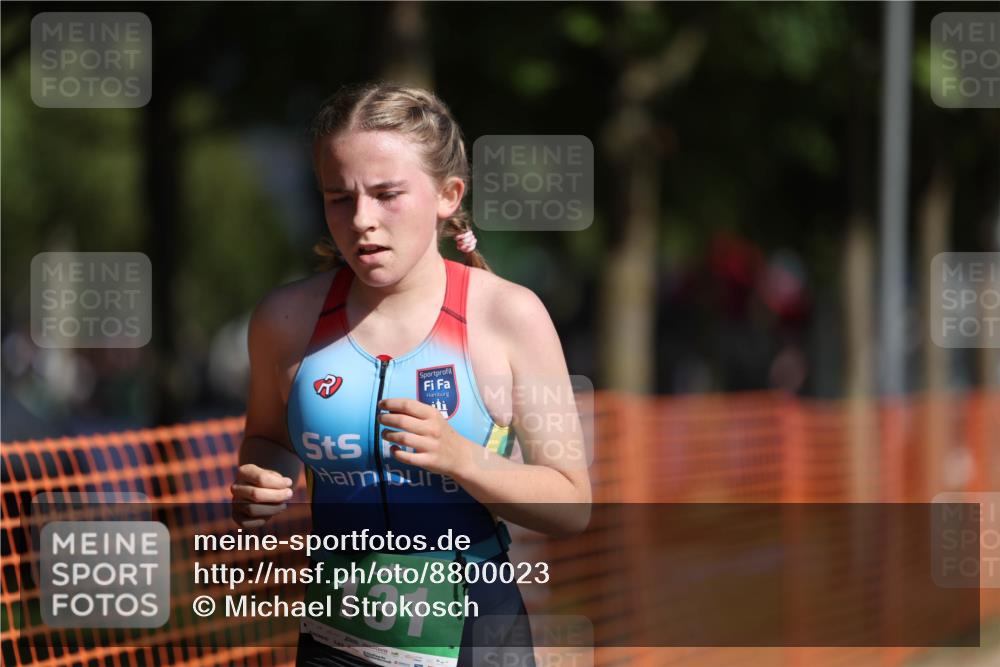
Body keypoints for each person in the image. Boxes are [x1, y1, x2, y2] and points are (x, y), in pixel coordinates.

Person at [231, 82, 591, 667]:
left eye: (387, 194)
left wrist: (464, 459)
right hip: (336, 639)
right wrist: (261, 479)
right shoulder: (285, 320)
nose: (362, 220)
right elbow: (269, 440)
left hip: (477, 636)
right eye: (339, 198)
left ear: (448, 195)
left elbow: (573, 505)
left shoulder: (508, 314)